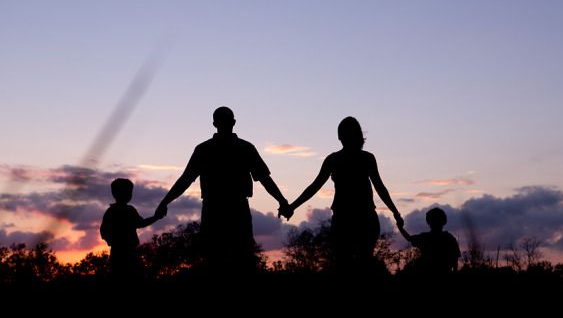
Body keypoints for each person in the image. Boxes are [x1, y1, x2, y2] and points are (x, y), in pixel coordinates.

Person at [155, 106, 288, 275]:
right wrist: (282, 201)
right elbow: (186, 179)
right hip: (225, 209)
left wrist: (164, 202)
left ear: (215, 124)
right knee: (228, 260)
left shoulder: (211, 149)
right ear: (232, 123)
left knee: (226, 260)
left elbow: (186, 179)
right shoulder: (237, 148)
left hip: (224, 209)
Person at [280, 117, 404, 273]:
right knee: (354, 264)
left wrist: (292, 206)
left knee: (350, 264)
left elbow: (380, 188)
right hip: (349, 219)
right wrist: (395, 212)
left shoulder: (351, 159)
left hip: (358, 218)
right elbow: (314, 187)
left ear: (340, 136)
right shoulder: (349, 159)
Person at [100, 178, 164, 281]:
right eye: (128, 192)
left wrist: (110, 240)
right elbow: (141, 223)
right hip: (127, 252)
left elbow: (103, 231)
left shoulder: (111, 211)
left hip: (118, 252)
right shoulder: (128, 210)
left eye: (130, 192)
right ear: (116, 193)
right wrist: (156, 217)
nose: (129, 195)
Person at [398, 207, 461, 275]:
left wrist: (400, 227)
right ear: (443, 221)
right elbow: (455, 260)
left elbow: (409, 238)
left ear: (429, 222)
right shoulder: (450, 238)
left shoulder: (425, 237)